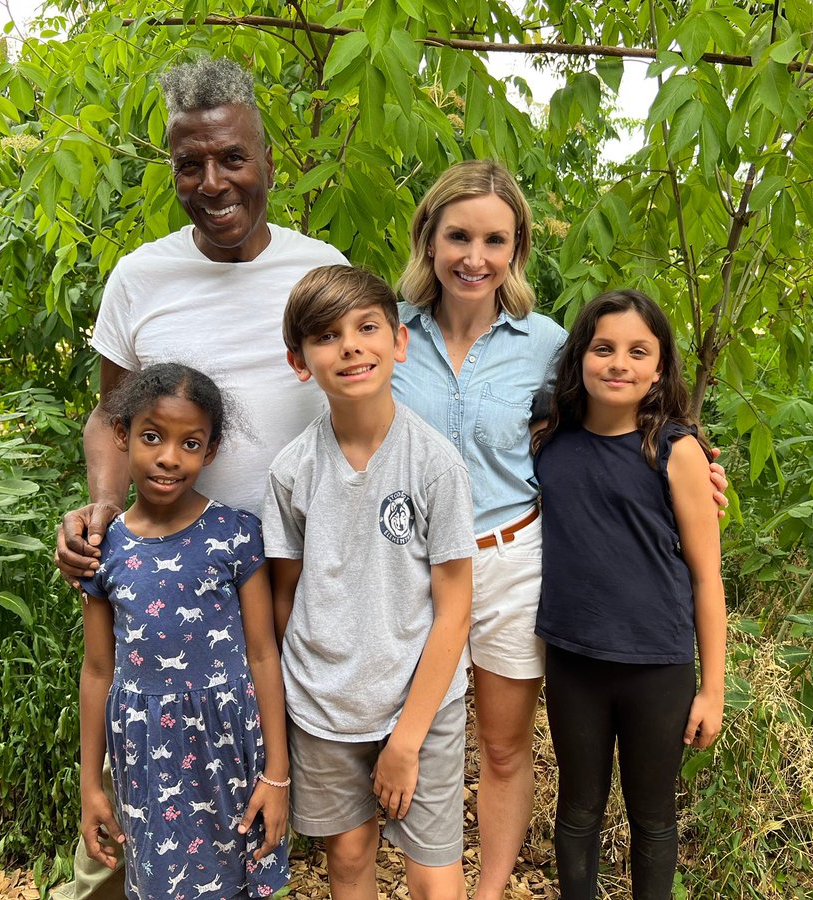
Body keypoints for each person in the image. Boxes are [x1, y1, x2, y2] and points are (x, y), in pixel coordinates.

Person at [392, 161, 727, 899]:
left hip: (510, 561)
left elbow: (617, 422)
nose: (474, 257)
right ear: (428, 238)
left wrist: (694, 467)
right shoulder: (388, 334)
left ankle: (490, 892)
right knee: (423, 744)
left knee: (503, 748)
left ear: (517, 248)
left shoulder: (546, 343)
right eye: (458, 236)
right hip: (412, 568)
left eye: (495, 240)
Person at [54, 56, 345, 900]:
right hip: (163, 596)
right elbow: (108, 417)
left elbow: (368, 400)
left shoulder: (317, 272)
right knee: (143, 831)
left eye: (232, 158)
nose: (213, 182)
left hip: (293, 590)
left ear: (268, 163)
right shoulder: (140, 278)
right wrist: (102, 509)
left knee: (298, 813)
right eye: (191, 164)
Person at [263, 265, 475, 900]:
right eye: (327, 336)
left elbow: (454, 610)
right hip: (324, 705)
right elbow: (285, 595)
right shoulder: (292, 471)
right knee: (350, 859)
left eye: (367, 328)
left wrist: (406, 740)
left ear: (399, 342)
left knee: (433, 874)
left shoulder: (435, 465)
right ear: (299, 361)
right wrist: (309, 679)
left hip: (421, 701)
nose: (351, 347)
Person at [532, 290, 727, 900]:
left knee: (653, 815)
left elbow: (707, 576)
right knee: (577, 809)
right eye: (604, 348)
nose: (619, 363)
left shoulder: (676, 451)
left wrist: (713, 688)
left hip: (657, 667)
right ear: (579, 358)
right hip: (574, 661)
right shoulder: (549, 442)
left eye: (638, 351)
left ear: (660, 368)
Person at [77, 363, 291, 900]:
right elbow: (98, 670)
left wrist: (277, 774)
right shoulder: (104, 550)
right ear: (122, 434)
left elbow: (263, 655)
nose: (169, 457)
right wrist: (90, 785)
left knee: (241, 875)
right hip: (147, 753)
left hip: (230, 746)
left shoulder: (236, 536)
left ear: (210, 451)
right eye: (152, 437)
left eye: (190, 443)